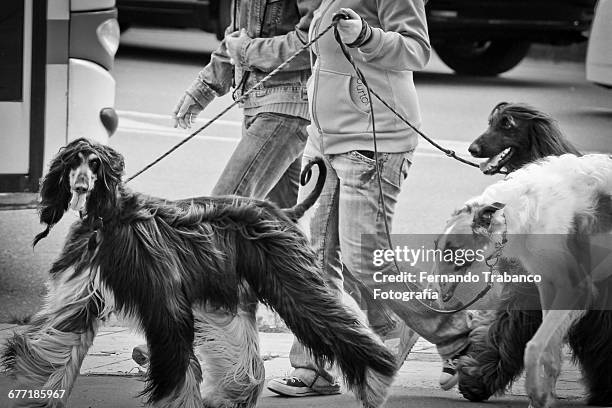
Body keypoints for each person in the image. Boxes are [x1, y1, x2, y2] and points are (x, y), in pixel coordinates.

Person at [266, 1, 471, 397]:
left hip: (374, 141)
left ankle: (458, 338)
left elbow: (417, 49)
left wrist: (365, 35)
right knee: (316, 256)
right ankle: (312, 366)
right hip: (326, 141)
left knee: (363, 258)